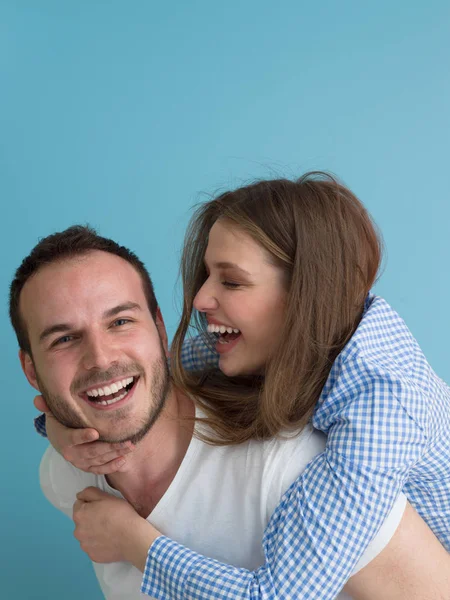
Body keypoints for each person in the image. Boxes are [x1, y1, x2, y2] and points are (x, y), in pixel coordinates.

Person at [30, 169, 450, 599]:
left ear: (306, 293)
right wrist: (63, 430)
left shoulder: (382, 412)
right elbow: (140, 377)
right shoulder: (269, 346)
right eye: (208, 275)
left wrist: (136, 543)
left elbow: (279, 596)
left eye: (231, 281)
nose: (199, 299)